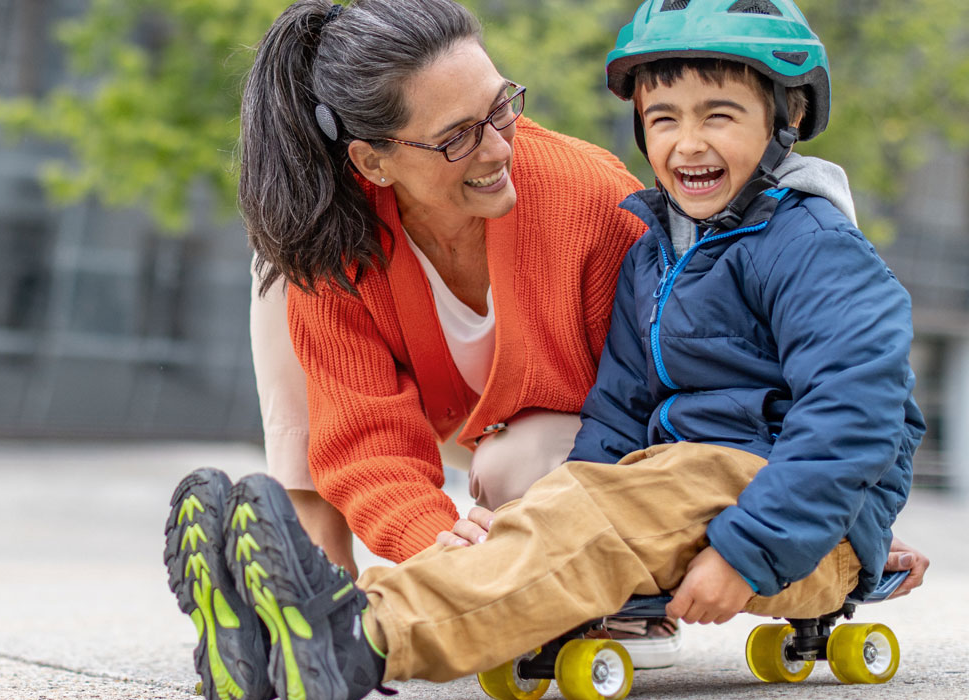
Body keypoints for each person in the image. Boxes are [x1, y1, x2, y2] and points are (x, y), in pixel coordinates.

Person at [166, 1, 930, 698]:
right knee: (576, 503)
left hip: (787, 528)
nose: (687, 143)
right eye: (662, 119)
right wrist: (575, 488)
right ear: (374, 160)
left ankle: (363, 635)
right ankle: (277, 638)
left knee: (594, 512)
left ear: (786, 117)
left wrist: (768, 542)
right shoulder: (661, 254)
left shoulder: (816, 247)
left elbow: (858, 411)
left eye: (720, 115)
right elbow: (620, 408)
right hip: (684, 489)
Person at [230, 0, 678, 680]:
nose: (500, 147)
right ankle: (317, 578)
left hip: (583, 437)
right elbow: (365, 437)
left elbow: (670, 385)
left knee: (515, 465)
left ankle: (632, 606)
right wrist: (431, 535)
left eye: (502, 108)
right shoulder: (342, 241)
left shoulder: (587, 199)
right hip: (450, 419)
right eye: (458, 136)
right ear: (372, 162)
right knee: (282, 262)